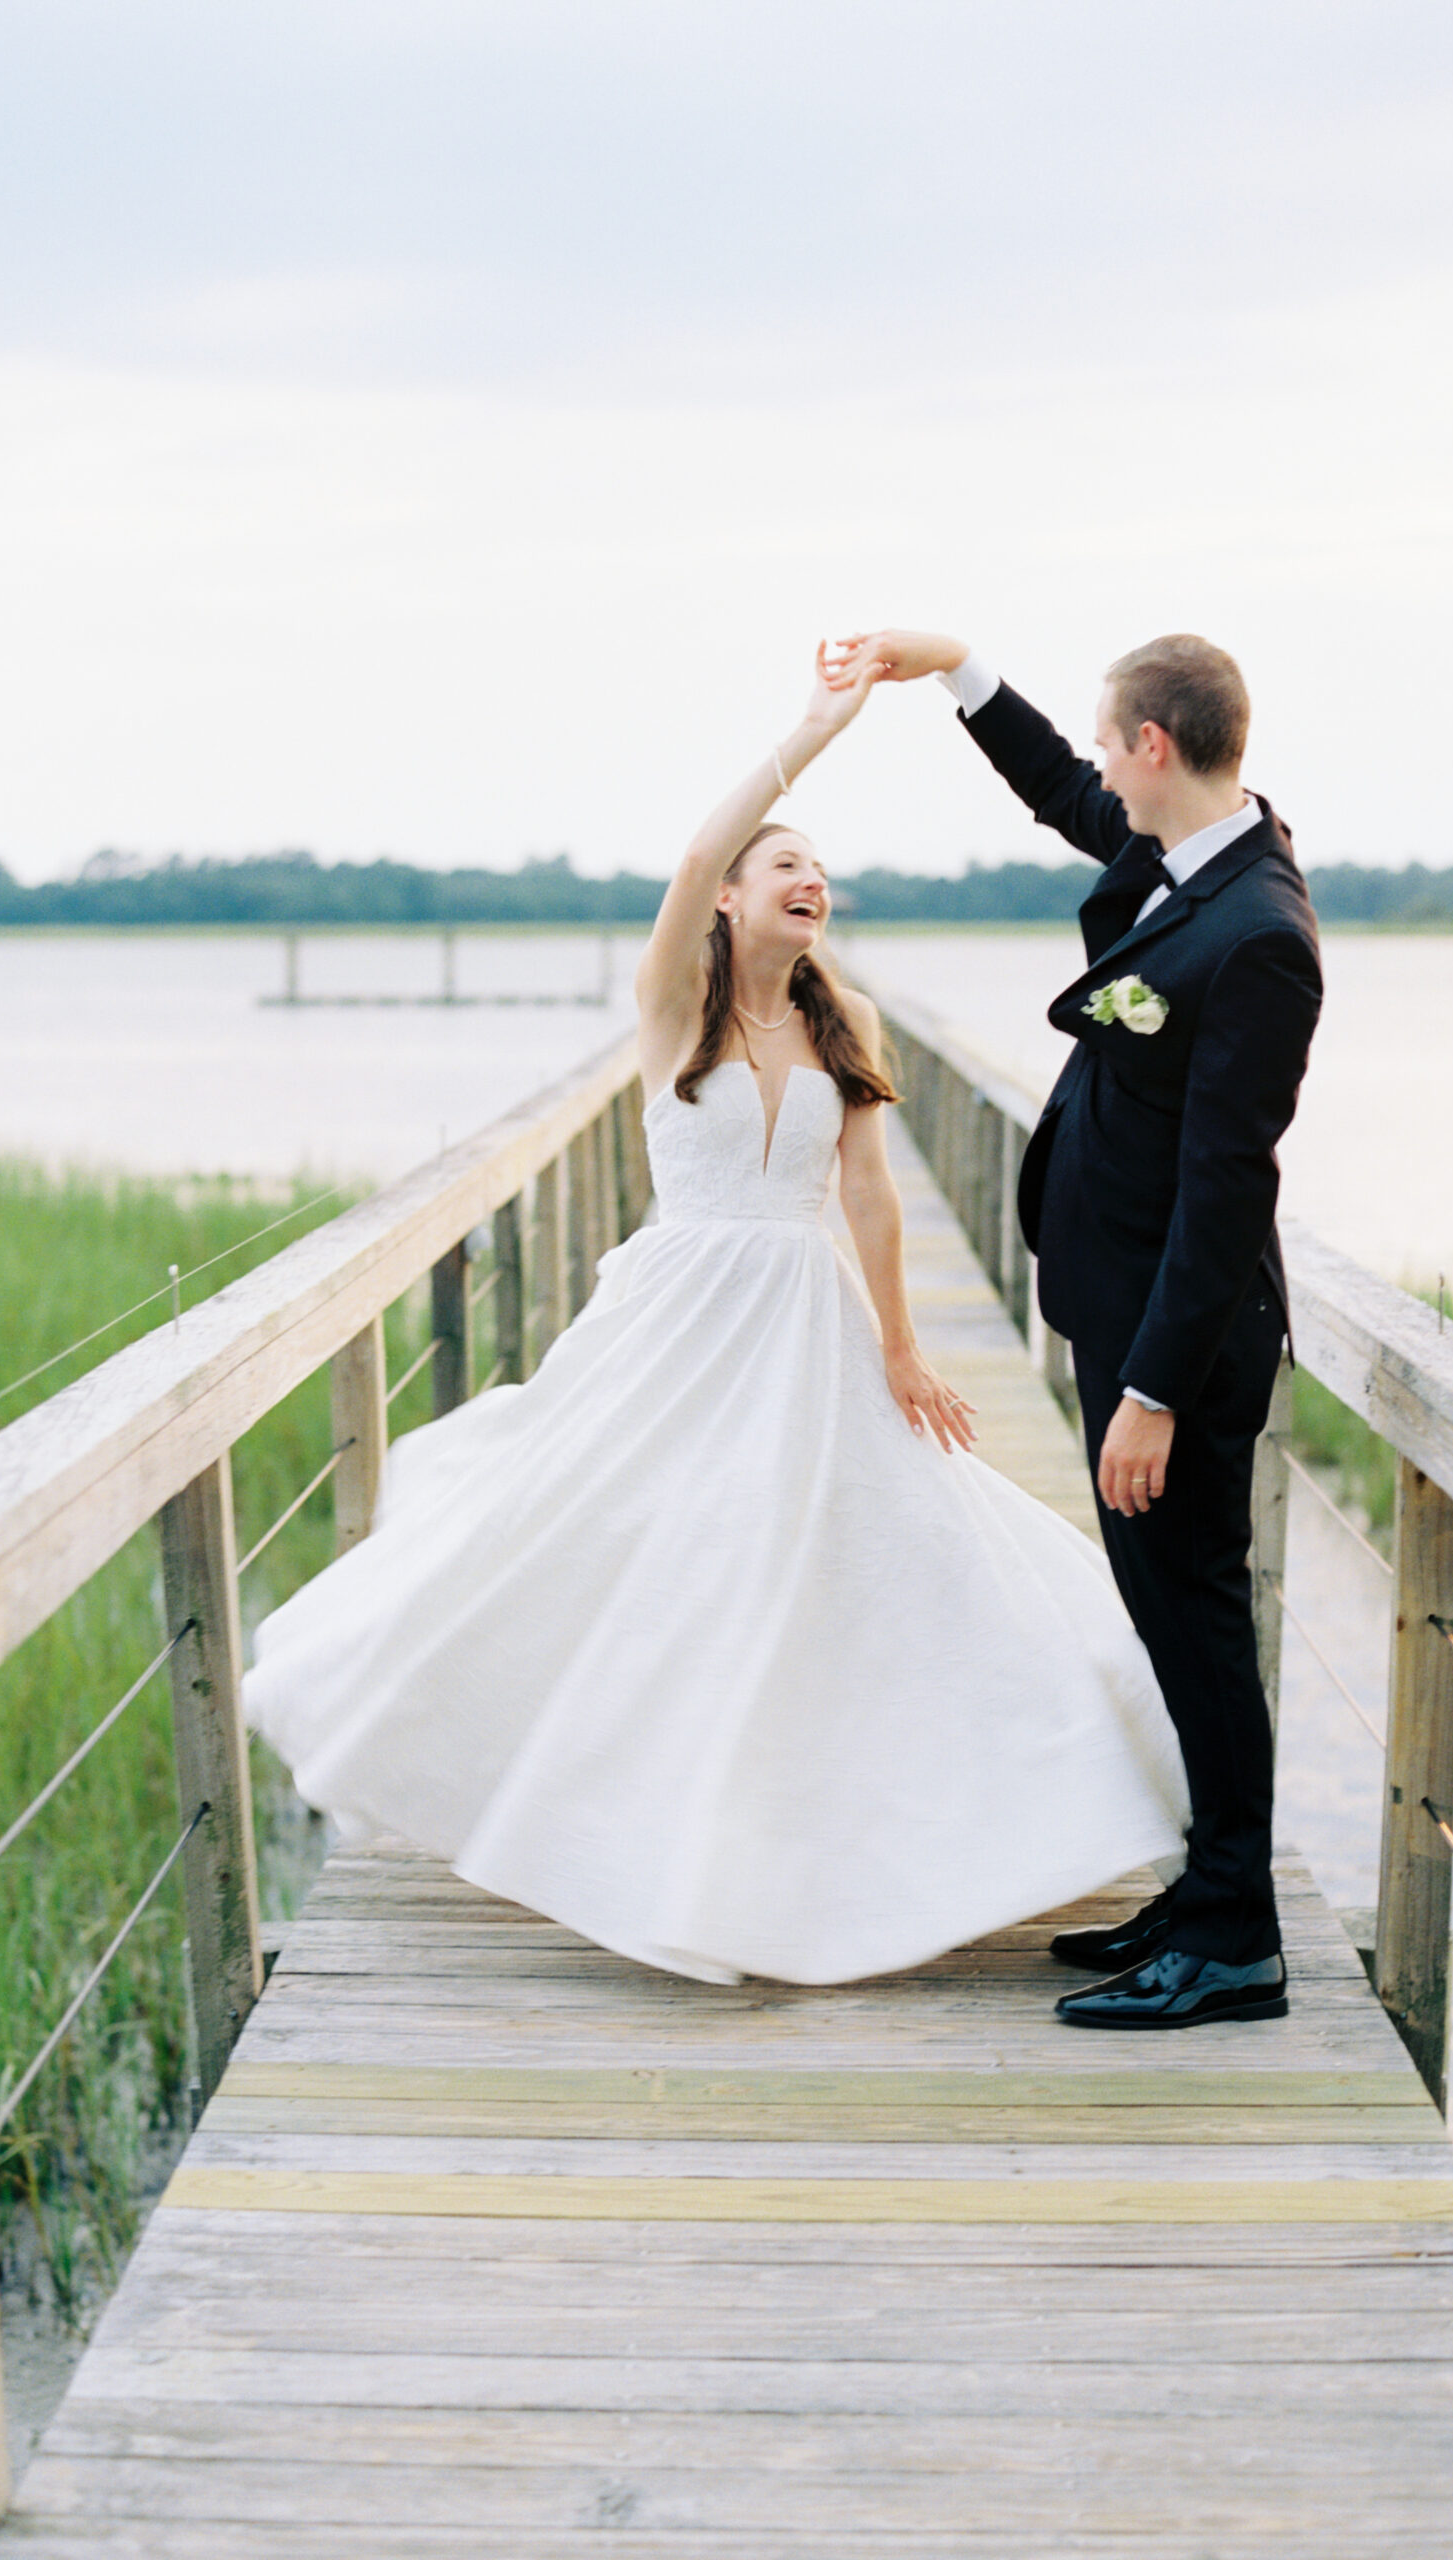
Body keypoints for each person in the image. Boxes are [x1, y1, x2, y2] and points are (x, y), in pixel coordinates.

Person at [243, 644, 1189, 1986]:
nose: (811, 881)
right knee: (638, 1550)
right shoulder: (671, 1006)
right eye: (782, 865)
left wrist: (905, 1348)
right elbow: (690, 863)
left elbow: (868, 1194)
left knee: (836, 1562)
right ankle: (629, 1823)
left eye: (820, 869)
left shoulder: (840, 1020)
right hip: (676, 1317)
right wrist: (812, 733)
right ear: (735, 900)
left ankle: (837, 1842)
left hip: (804, 1324)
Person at [826, 628, 1323, 2028]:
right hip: (1121, 1306)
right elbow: (1057, 789)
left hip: (1183, 1347)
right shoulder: (1191, 855)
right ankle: (1204, 1884)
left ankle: (1237, 1938)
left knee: (1199, 1621)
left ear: (1155, 746)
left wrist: (1155, 1392)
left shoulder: (1261, 936)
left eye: (1114, 744)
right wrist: (960, 671)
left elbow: (1229, 1190)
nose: (1102, 769)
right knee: (1168, 1618)